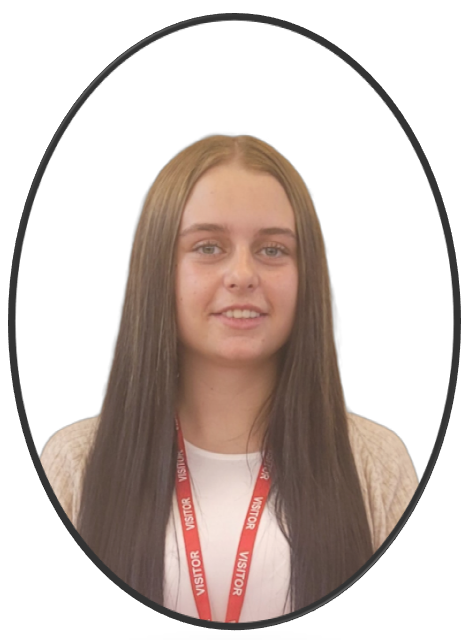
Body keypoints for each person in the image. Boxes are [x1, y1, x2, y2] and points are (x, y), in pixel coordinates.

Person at [40, 134, 419, 624]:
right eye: (208, 247)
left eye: (273, 250)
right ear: (158, 270)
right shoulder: (73, 466)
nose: (242, 274)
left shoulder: (379, 465)